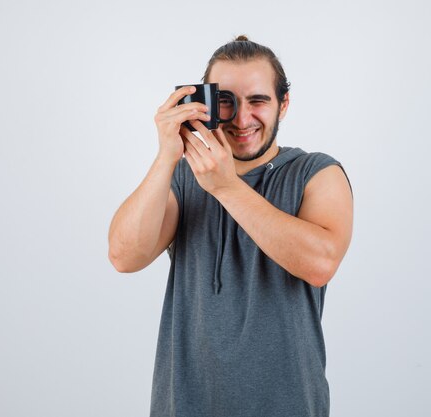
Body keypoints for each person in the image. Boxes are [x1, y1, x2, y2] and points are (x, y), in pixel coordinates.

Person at [108, 35, 354, 417]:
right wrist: (166, 156)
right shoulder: (184, 177)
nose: (241, 119)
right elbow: (124, 256)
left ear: (283, 105)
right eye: (226, 101)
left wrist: (225, 186)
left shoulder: (316, 173)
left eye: (258, 101)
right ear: (204, 105)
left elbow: (320, 264)